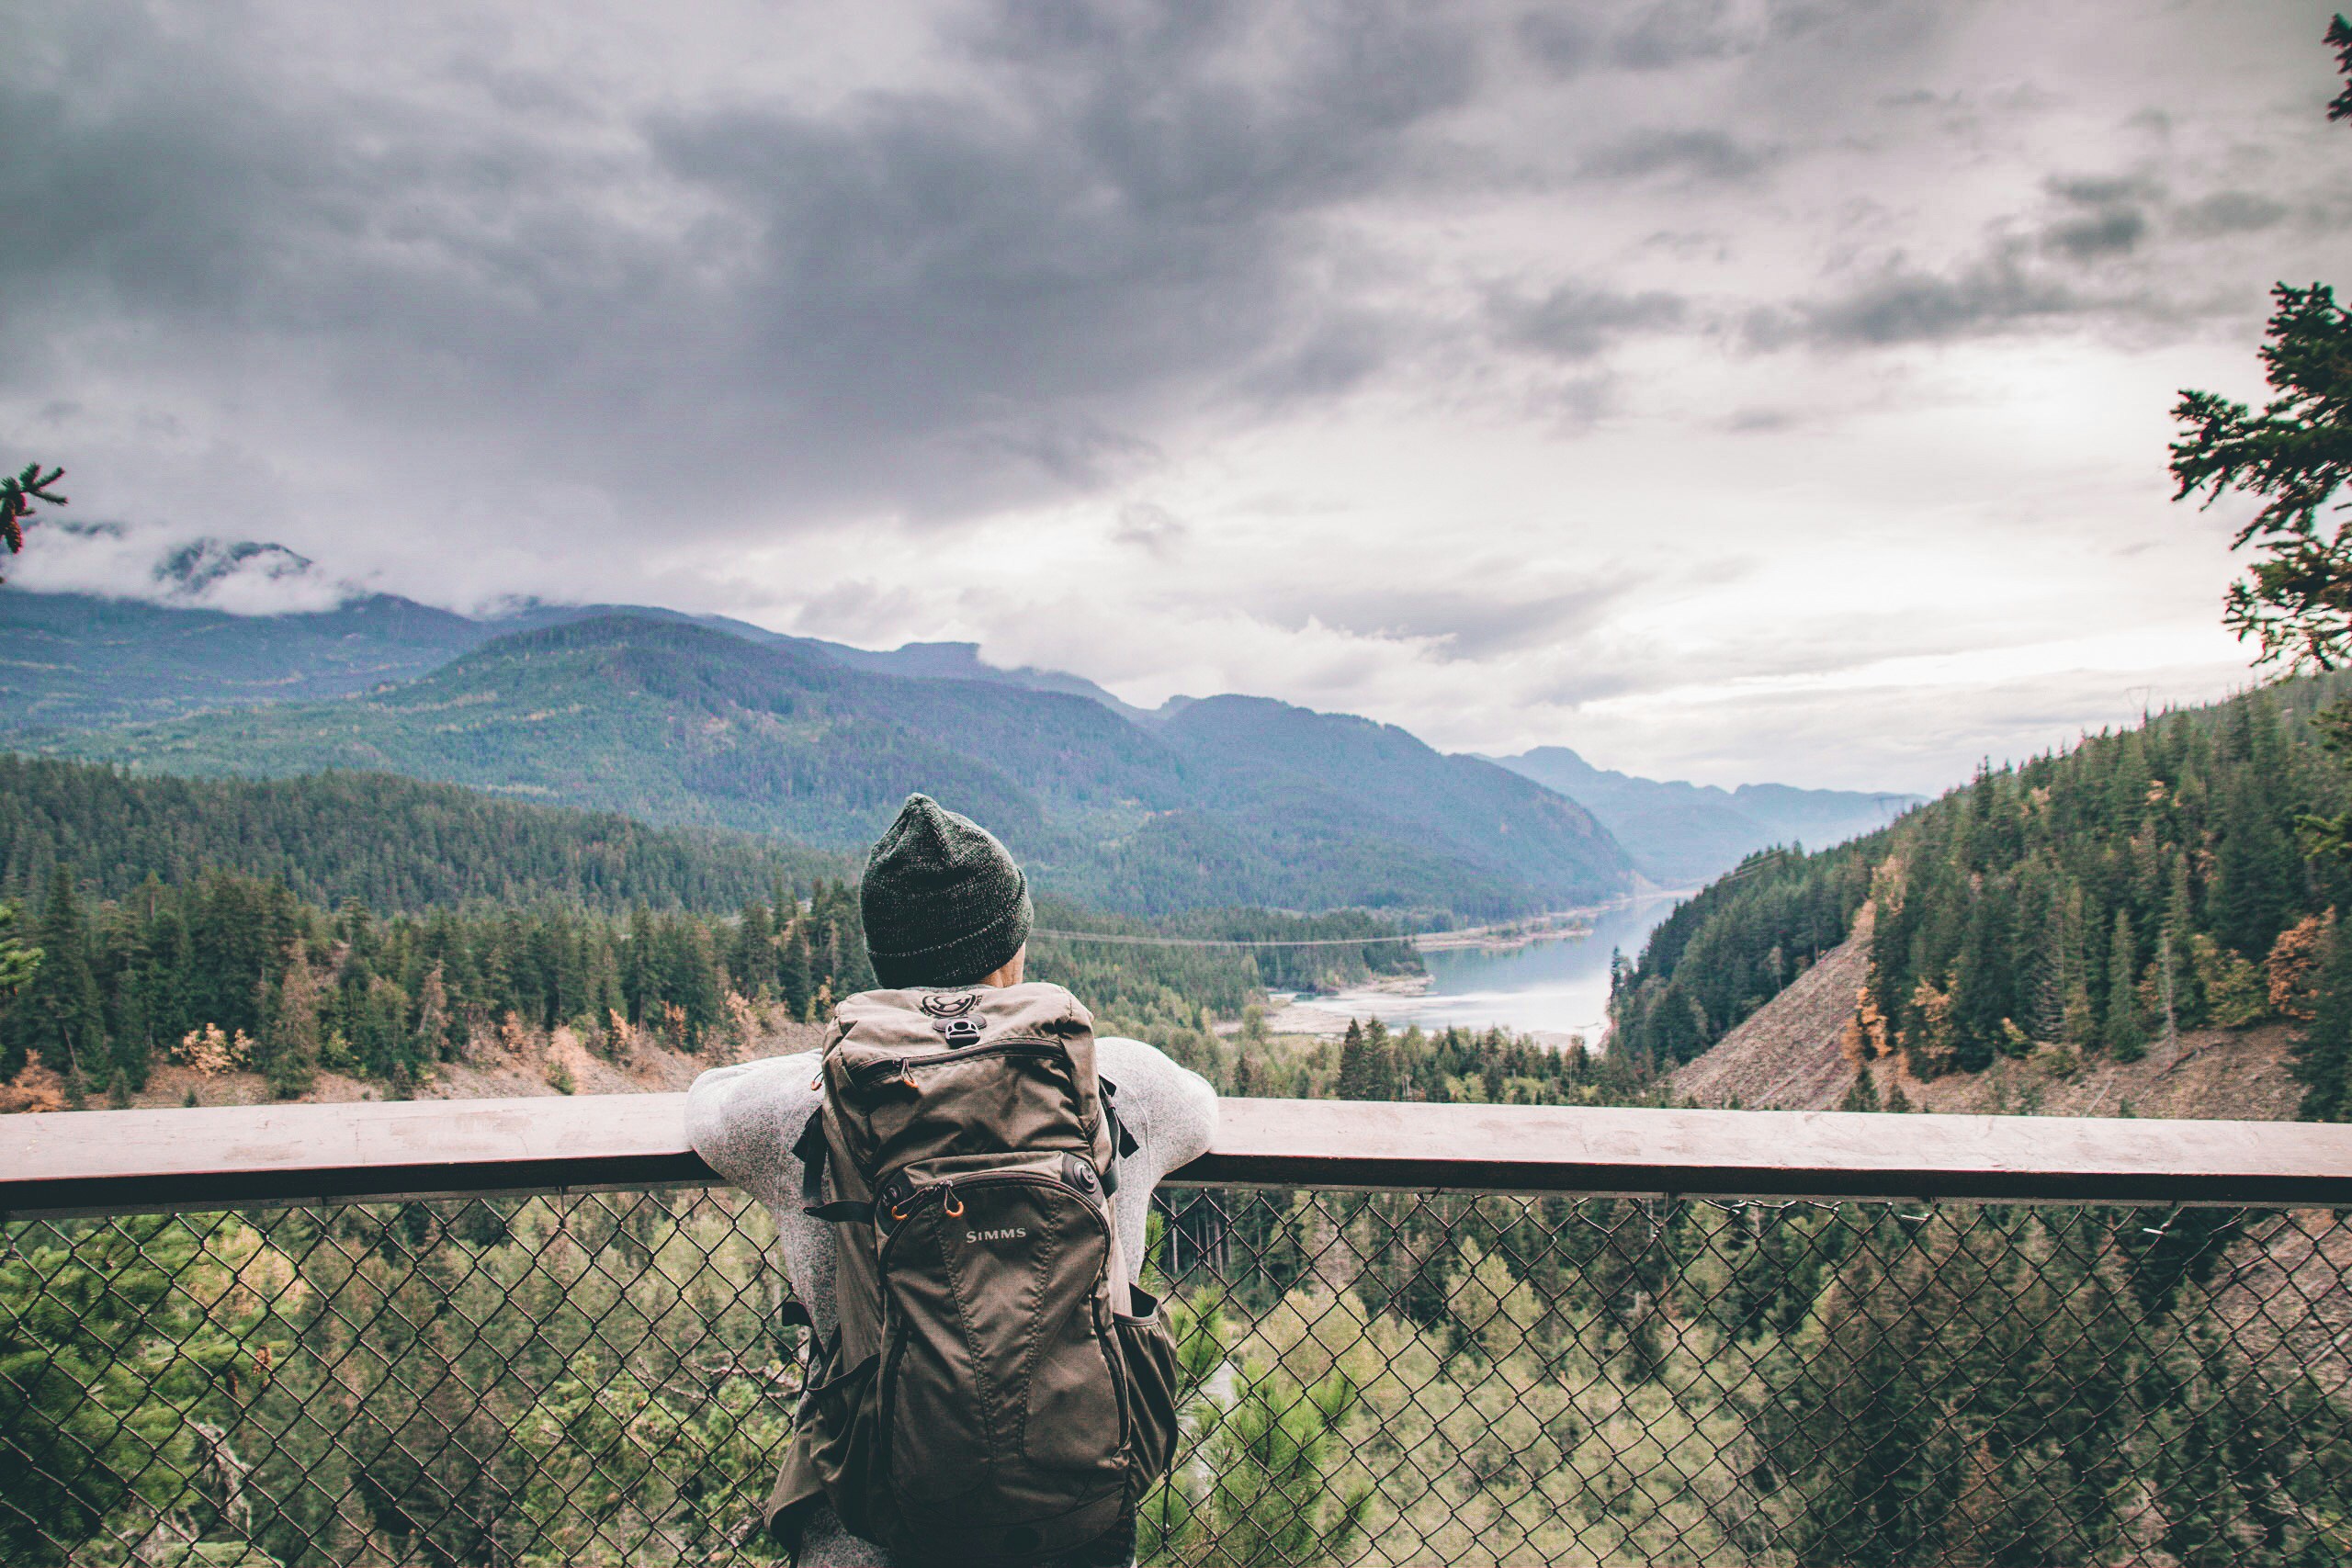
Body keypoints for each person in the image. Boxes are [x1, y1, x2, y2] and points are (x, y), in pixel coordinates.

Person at [688, 794, 1218, 1566]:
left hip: (875, 1517)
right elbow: (1204, 1108)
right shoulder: (1119, 1081)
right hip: (1076, 1519)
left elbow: (704, 1100)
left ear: (884, 964)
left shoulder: (797, 1104)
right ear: (1012, 955)